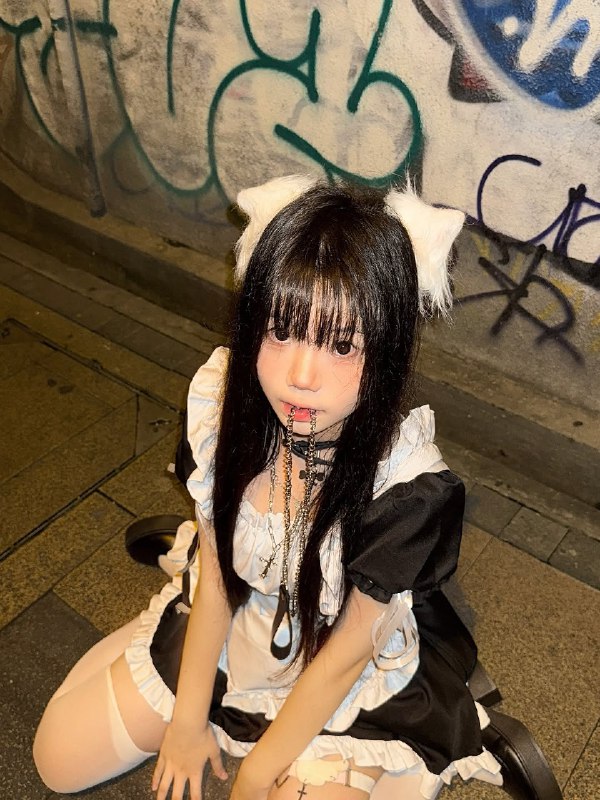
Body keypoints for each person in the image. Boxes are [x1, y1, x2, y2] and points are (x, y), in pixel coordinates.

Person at [33, 177, 504, 800]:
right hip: (243, 626)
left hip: (342, 680)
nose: (299, 376)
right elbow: (218, 580)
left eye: (341, 345)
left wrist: (255, 774)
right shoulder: (224, 408)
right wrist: (185, 721)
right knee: (57, 761)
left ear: (387, 349)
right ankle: (159, 634)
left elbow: (345, 657)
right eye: (281, 331)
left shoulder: (406, 491)